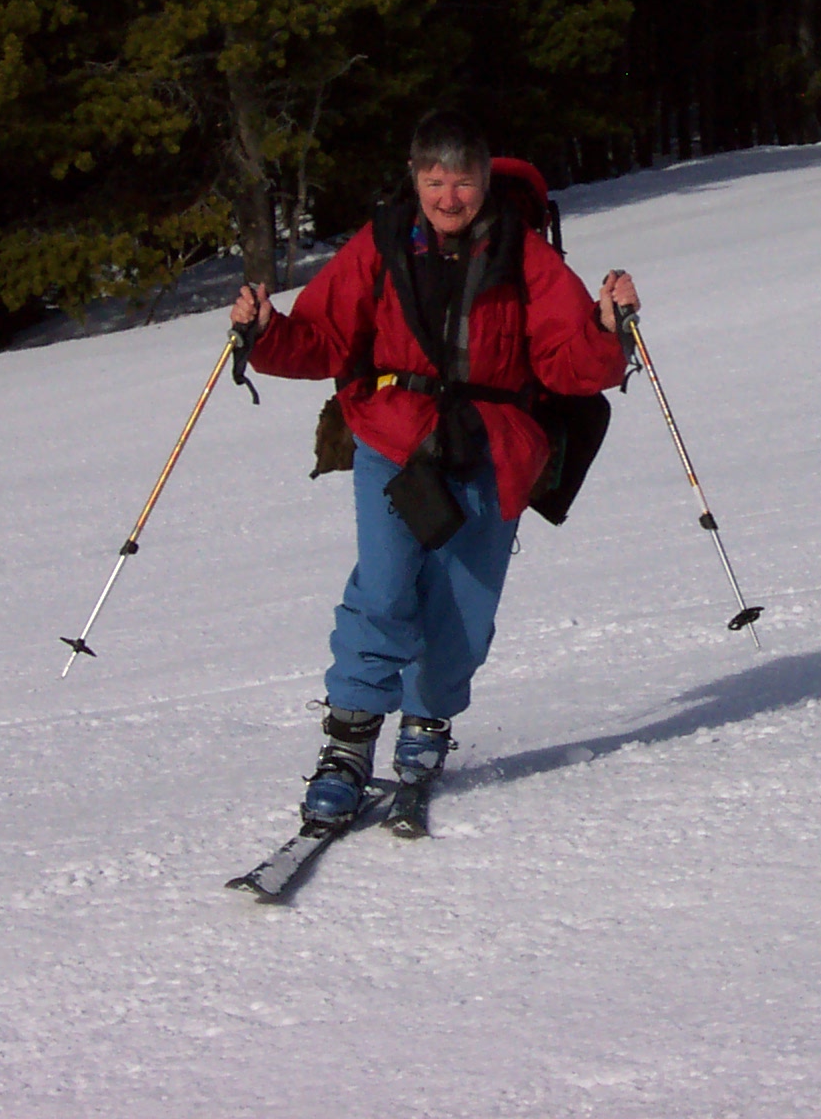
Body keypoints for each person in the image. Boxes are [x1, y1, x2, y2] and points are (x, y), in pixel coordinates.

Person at [232, 110, 638, 825]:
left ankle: (427, 720)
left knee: (463, 612)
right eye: (436, 180)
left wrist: (606, 330)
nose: (451, 196)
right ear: (416, 178)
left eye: (464, 180)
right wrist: (266, 332)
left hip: (494, 447)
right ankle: (349, 744)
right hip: (394, 439)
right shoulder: (381, 245)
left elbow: (567, 363)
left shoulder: (528, 257)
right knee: (384, 590)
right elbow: (324, 337)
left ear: (486, 178)